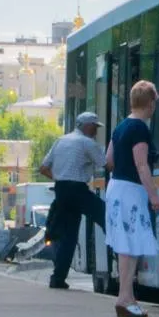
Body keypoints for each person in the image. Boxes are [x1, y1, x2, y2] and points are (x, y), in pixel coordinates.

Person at [103, 81, 159, 317]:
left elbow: (109, 159)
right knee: (132, 244)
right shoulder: (140, 128)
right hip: (131, 191)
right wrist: (154, 195)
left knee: (124, 244)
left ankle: (125, 296)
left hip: (115, 188)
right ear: (150, 103)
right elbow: (141, 165)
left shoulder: (121, 127)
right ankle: (125, 298)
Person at [39, 111, 108, 290]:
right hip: (77, 190)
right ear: (87, 126)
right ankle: (123, 258)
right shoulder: (87, 143)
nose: (96, 131)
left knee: (69, 237)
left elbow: (44, 167)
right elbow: (106, 164)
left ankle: (58, 279)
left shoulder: (60, 141)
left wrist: (61, 178)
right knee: (107, 217)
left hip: (61, 190)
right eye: (94, 127)